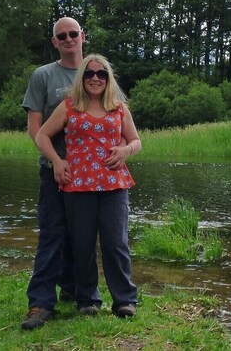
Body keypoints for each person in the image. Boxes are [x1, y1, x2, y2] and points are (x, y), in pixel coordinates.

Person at [33, 53, 141, 319]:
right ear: (82, 77)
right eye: (90, 73)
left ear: (108, 78)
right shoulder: (69, 106)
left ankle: (125, 300)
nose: (95, 78)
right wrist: (57, 162)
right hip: (77, 187)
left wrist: (126, 150)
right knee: (82, 245)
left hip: (114, 185)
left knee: (116, 244)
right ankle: (87, 299)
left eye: (101, 73)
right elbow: (42, 135)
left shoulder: (119, 107)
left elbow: (137, 141)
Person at [19, 17, 84, 330]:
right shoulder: (43, 75)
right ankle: (41, 303)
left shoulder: (97, 72)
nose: (69, 39)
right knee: (52, 234)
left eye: (73, 33)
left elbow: (116, 116)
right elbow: (35, 129)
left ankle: (75, 288)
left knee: (82, 236)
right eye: (63, 35)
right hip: (54, 171)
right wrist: (57, 161)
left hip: (90, 176)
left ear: (82, 36)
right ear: (55, 41)